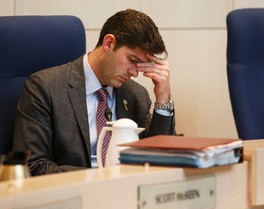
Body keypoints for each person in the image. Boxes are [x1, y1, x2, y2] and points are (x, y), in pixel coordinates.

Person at [13, 9, 176, 176]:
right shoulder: (44, 88)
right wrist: (100, 180)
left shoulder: (136, 95)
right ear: (108, 43)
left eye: (141, 65)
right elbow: (32, 166)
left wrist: (163, 99)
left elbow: (160, 160)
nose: (135, 73)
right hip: (72, 196)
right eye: (132, 60)